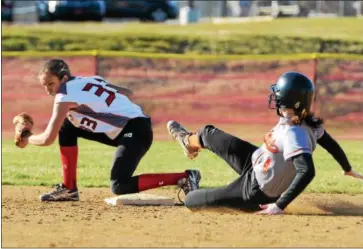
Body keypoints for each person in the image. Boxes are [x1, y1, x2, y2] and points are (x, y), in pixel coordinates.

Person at [167, 71, 363, 215]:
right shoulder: (305, 122)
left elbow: (307, 170)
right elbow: (331, 144)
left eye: (278, 93)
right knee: (208, 133)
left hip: (255, 192)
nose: (275, 95)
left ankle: (191, 185)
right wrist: (347, 168)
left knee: (192, 201)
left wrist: (279, 205)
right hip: (255, 163)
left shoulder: (293, 133)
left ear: (287, 99)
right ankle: (187, 141)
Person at [15, 58, 201, 201]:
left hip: (136, 132)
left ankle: (185, 177)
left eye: (51, 83)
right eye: (44, 85)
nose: (48, 89)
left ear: (63, 78)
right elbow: (127, 92)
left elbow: (47, 139)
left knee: (119, 185)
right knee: (68, 125)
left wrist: (26, 136)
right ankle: (69, 188)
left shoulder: (64, 95)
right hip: (131, 126)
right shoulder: (90, 80)